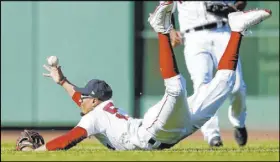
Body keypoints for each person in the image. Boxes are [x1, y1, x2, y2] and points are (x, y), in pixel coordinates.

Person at [16, 2, 271, 151]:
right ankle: (236, 30)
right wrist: (62, 81)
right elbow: (79, 99)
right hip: (178, 127)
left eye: (85, 96)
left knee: (176, 87)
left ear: (94, 101)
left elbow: (70, 139)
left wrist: (38, 152)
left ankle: (160, 29)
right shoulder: (100, 108)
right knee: (225, 83)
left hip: (154, 131)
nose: (80, 98)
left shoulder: (94, 117)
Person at [169, 1, 248, 147]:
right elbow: (165, 7)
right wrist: (172, 30)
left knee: (236, 85)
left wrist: (234, 9)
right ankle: (212, 135)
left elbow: (241, 2)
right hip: (193, 37)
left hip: (222, 31)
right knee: (202, 84)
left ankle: (239, 122)